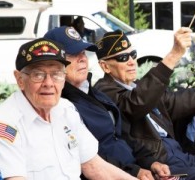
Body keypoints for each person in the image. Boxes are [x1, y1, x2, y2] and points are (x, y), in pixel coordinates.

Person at [94, 28, 195, 180]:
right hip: (157, 164)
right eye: (123, 57)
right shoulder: (104, 92)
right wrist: (174, 55)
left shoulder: (136, 85)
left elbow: (178, 100)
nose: (131, 61)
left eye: (133, 54)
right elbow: (136, 103)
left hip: (177, 154)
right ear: (105, 67)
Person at [43, 26, 171, 180]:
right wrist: (135, 171)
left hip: (139, 168)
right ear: (53, 64)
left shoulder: (94, 92)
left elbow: (123, 135)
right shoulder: (61, 106)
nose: (82, 58)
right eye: (72, 54)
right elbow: (91, 159)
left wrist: (150, 163)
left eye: (83, 52)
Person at [0, 38, 137, 180]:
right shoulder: (6, 123)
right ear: (20, 80)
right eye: (38, 75)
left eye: (56, 74)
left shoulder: (66, 109)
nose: (49, 83)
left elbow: (94, 167)